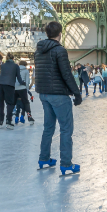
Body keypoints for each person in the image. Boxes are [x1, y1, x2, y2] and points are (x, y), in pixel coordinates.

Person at [34, 21, 83, 174]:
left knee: (48, 128)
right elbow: (66, 74)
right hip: (59, 95)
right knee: (66, 129)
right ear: (60, 34)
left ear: (46, 33)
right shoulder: (59, 50)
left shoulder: (38, 50)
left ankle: (44, 158)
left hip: (44, 94)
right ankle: (66, 164)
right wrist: (76, 93)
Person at [0, 53, 19, 128]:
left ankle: (0, 121)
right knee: (10, 103)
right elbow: (18, 77)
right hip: (9, 85)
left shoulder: (3, 65)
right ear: (13, 59)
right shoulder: (15, 66)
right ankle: (8, 121)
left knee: (1, 103)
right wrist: (23, 83)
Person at [13, 59, 35, 124]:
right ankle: (29, 117)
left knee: (14, 103)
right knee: (26, 103)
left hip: (15, 88)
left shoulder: (15, 70)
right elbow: (27, 81)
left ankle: (10, 118)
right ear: (25, 65)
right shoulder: (26, 71)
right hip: (23, 89)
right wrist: (27, 89)